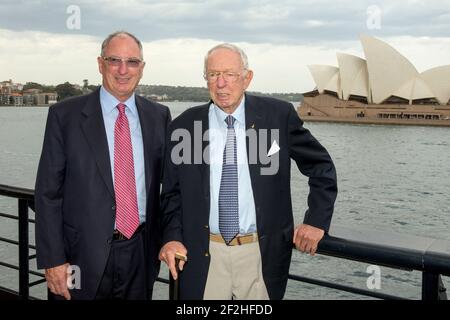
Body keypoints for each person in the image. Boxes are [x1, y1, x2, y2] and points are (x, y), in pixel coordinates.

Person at [159, 43, 337, 299]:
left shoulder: (277, 116)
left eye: (230, 74)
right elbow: (172, 193)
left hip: (260, 255)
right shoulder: (186, 125)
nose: (221, 83)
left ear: (247, 78)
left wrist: (316, 221)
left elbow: (320, 166)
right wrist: (172, 237)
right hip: (203, 255)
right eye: (213, 74)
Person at [34, 31, 171, 300]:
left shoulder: (159, 116)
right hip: (79, 257)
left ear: (141, 68)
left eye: (132, 62)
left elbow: (172, 185)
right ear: (100, 64)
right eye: (114, 60)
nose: (123, 70)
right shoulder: (65, 115)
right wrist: (53, 260)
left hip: (140, 253)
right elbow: (48, 193)